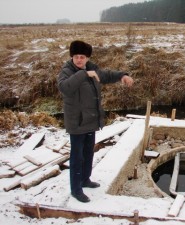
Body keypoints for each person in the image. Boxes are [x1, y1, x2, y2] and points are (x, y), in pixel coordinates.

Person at [57, 40, 133, 203]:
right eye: (76, 57)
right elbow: (65, 87)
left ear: (87, 58)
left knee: (88, 153)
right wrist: (84, 74)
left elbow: (105, 75)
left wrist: (122, 75)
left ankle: (85, 180)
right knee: (77, 156)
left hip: (90, 120)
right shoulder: (67, 71)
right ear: (72, 57)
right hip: (77, 122)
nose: (79, 60)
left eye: (82, 57)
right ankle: (76, 189)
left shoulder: (92, 68)